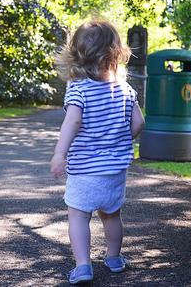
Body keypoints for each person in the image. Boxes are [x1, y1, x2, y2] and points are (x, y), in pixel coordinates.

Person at [50, 20, 145, 284]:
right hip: (115, 171)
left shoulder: (78, 90)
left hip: (85, 171)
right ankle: (113, 257)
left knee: (78, 216)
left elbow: (73, 121)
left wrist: (60, 153)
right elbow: (139, 123)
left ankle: (83, 265)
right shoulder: (126, 90)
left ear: (77, 57)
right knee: (111, 215)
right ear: (115, 54)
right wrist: (119, 141)